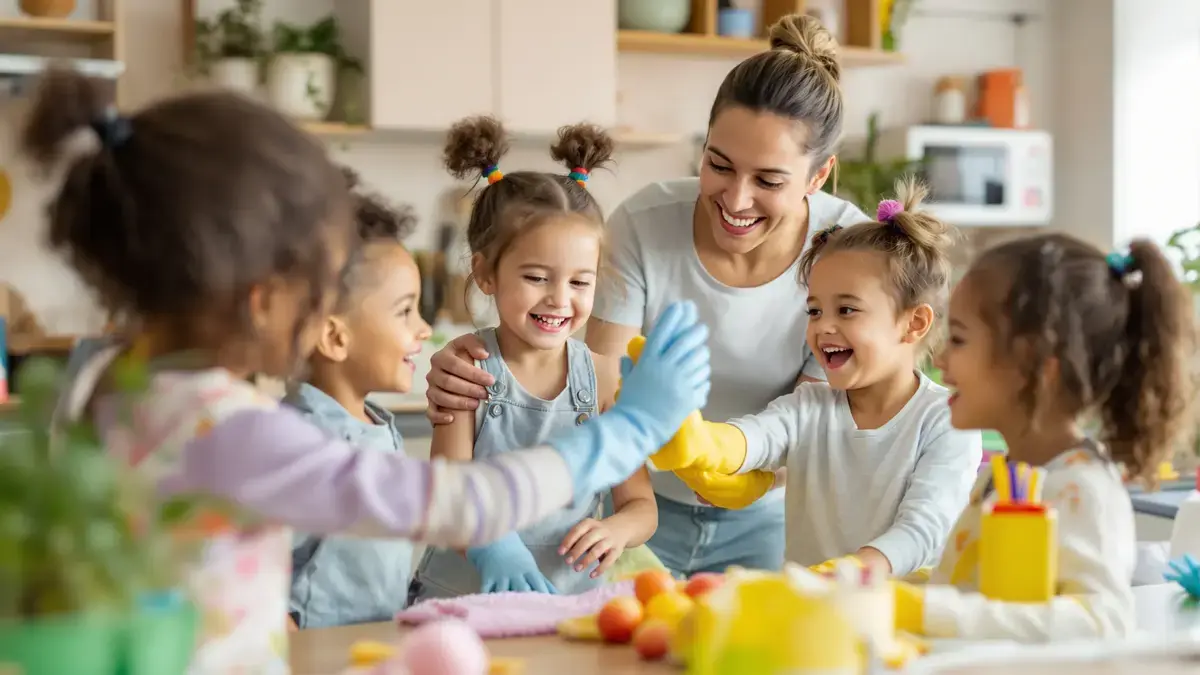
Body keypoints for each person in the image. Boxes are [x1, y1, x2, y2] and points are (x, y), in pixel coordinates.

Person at [25, 69, 711, 673]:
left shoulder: (106, 376)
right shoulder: (222, 427)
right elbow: (456, 502)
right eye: (325, 289)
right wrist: (629, 429)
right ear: (260, 296)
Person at [423, 13, 868, 576]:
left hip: (770, 513)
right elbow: (602, 385)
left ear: (818, 176)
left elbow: (815, 418)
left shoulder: (847, 255)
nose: (736, 198)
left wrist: (723, 469)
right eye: (718, 164)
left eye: (769, 181)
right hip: (640, 508)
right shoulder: (645, 223)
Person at [649, 182, 982, 578]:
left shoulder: (947, 422)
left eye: (846, 310)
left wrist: (846, 573)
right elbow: (755, 437)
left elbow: (923, 530)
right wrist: (701, 444)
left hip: (903, 620)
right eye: (813, 311)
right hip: (813, 614)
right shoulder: (809, 406)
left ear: (914, 323)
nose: (824, 327)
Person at [892, 233, 1193, 640]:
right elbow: (978, 593)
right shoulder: (1008, 476)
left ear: (1034, 365)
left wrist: (924, 610)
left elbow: (1101, 622)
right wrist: (885, 591)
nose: (940, 359)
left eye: (959, 339)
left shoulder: (1080, 488)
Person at [410, 117, 657, 601]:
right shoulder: (470, 370)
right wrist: (492, 546)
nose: (559, 300)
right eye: (537, 277)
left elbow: (641, 504)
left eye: (580, 282)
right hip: (464, 599)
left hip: (566, 604)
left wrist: (618, 530)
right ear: (485, 274)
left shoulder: (605, 377)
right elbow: (447, 496)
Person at [284, 168, 429, 629]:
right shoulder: (301, 443)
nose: (423, 329)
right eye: (405, 311)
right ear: (334, 336)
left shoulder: (374, 427)